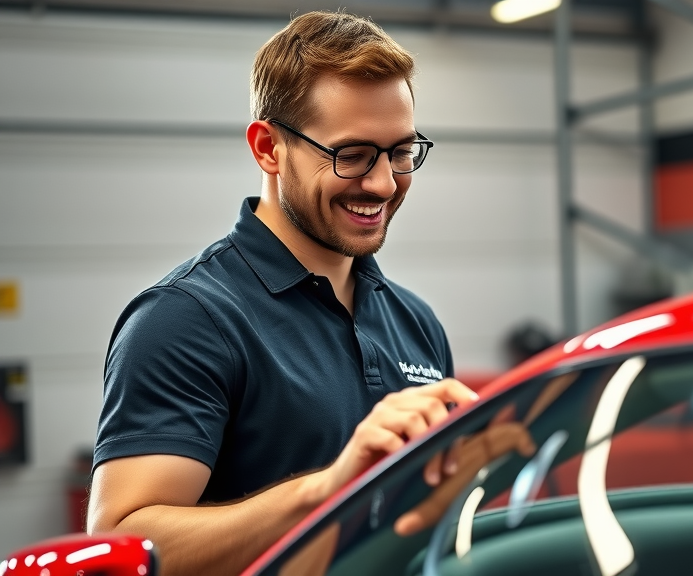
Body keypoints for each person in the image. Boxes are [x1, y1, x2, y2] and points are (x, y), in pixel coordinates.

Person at [86, 11, 477, 576]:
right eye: (352, 154)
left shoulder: (414, 321)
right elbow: (122, 543)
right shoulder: (185, 319)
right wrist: (325, 493)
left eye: (399, 151)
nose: (384, 183)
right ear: (268, 148)